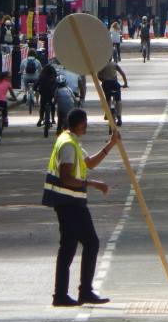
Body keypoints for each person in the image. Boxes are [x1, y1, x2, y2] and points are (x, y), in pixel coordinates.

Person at [43, 108, 118, 307]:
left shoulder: (71, 141)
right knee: (91, 243)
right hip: (70, 203)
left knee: (68, 247)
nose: (87, 126)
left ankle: (61, 294)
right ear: (78, 124)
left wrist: (111, 145)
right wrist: (93, 184)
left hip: (70, 201)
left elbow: (90, 163)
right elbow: (66, 177)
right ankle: (83, 291)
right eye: (85, 123)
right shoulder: (68, 145)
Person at [97, 58, 128, 126]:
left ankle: (107, 114)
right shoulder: (114, 64)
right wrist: (125, 83)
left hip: (106, 84)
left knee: (107, 98)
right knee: (118, 100)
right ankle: (119, 117)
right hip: (114, 83)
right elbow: (122, 73)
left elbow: (98, 75)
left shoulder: (101, 65)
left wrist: (103, 80)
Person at [36, 63, 58, 127]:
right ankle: (53, 119)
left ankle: (41, 118)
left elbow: (35, 86)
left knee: (42, 106)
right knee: (52, 105)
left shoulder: (41, 77)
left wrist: (36, 89)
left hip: (43, 94)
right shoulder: (54, 78)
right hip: (51, 95)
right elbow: (57, 87)